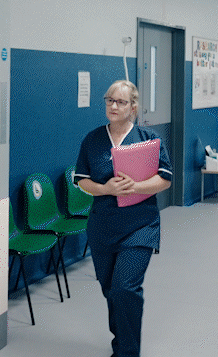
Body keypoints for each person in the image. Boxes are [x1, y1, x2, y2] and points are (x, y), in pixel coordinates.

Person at [74, 79, 173, 357]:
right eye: (109, 100)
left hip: (140, 226)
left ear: (133, 106)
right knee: (111, 290)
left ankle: (127, 352)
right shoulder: (93, 140)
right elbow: (81, 180)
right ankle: (121, 342)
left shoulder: (148, 140)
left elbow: (165, 179)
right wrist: (106, 189)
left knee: (125, 287)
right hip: (103, 227)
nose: (113, 106)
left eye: (120, 101)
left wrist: (135, 187)